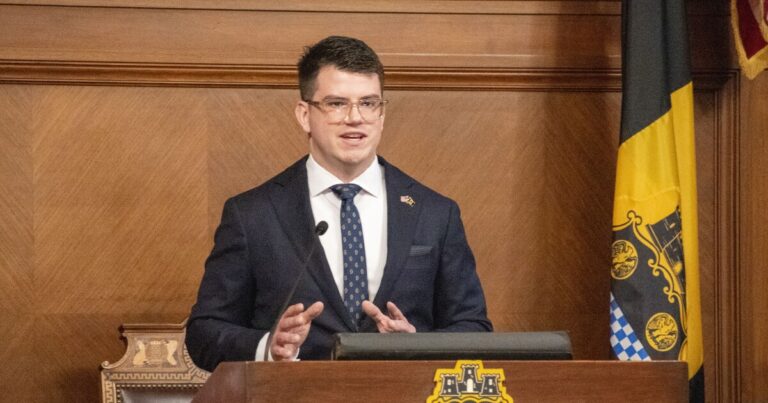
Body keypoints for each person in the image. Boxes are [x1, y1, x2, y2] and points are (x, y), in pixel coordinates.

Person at [185, 36, 492, 372]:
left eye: (368, 103)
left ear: (382, 114)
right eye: (336, 104)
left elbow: (474, 329)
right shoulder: (252, 214)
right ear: (304, 115)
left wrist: (418, 346)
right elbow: (204, 333)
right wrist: (269, 346)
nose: (355, 118)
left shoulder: (435, 213)